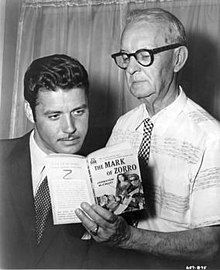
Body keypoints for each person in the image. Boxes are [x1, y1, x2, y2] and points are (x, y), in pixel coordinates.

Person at [75, 8, 220, 268]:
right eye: (125, 56)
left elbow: (211, 245)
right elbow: (113, 204)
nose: (131, 68)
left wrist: (128, 238)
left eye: (144, 55)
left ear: (178, 59)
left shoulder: (210, 138)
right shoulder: (124, 125)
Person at [0, 54, 158, 269]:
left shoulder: (110, 167)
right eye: (55, 115)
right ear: (29, 111)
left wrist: (121, 236)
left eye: (78, 111)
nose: (70, 128)